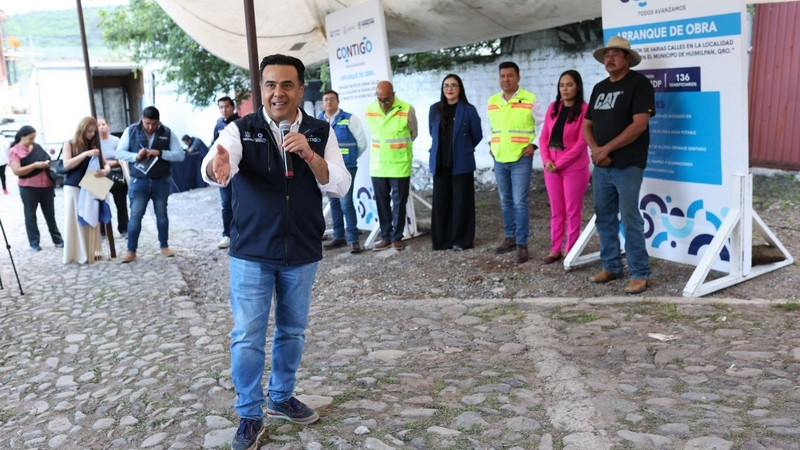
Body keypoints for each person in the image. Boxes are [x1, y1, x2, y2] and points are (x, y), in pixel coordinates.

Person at [200, 54, 350, 450]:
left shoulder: (320, 131)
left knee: (293, 329)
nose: (278, 93)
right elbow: (220, 160)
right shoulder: (240, 129)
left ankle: (281, 397)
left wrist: (310, 155)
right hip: (251, 250)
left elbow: (339, 185)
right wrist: (219, 164)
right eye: (270, 85)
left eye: (287, 85)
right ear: (260, 90)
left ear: (301, 90)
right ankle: (249, 414)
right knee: (247, 335)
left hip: (301, 248)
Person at [584, 36, 655, 294]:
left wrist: (606, 149)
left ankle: (640, 273)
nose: (610, 58)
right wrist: (595, 151)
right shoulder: (599, 88)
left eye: (616, 54)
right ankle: (612, 266)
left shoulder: (639, 84)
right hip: (602, 165)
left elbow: (639, 125)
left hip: (628, 164)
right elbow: (587, 124)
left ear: (627, 59)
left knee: (630, 217)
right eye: (607, 54)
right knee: (604, 216)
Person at [487, 61, 542, 264]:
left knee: (520, 202)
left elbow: (544, 123)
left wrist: (534, 145)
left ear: (518, 77)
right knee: (505, 201)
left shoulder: (529, 99)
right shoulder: (493, 101)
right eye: (502, 76)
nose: (506, 79)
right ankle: (509, 238)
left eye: (510, 75)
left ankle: (522, 244)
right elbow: (494, 127)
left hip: (521, 157)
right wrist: (491, 144)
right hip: (500, 157)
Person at [115, 106, 185, 263]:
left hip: (161, 180)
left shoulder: (167, 132)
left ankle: (164, 246)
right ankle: (131, 250)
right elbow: (119, 152)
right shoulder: (131, 130)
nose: (150, 127)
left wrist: (160, 153)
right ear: (142, 119)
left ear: (158, 121)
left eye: (154, 124)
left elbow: (180, 155)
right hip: (138, 180)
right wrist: (135, 156)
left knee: (161, 214)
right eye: (147, 123)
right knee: (135, 215)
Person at [538, 70, 590, 264]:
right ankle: (555, 249)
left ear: (577, 86)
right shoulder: (553, 107)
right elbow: (544, 137)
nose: (565, 89)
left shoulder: (585, 109)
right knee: (556, 210)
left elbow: (581, 143)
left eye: (569, 85)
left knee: (572, 210)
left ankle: (571, 250)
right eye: (562, 85)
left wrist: (558, 163)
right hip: (551, 165)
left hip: (574, 167)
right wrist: (546, 161)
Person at [428, 74, 483, 251]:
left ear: (460, 88)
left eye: (453, 85)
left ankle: (461, 240)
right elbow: (432, 132)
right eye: (446, 85)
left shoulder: (468, 109)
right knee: (441, 202)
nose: (449, 89)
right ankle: (442, 240)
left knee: (462, 202)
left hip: (462, 162)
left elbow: (477, 135)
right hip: (440, 162)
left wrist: (463, 148)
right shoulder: (435, 109)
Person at [364, 80, 418, 251]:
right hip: (378, 165)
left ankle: (397, 237)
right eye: (379, 99)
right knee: (382, 203)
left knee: (399, 202)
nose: (382, 103)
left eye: (386, 99)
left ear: (393, 95)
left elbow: (413, 133)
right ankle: (386, 236)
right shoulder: (370, 110)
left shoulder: (407, 109)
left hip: (400, 164)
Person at [318, 89, 367, 253]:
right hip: (327, 167)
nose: (329, 103)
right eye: (326, 100)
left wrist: (351, 158)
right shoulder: (318, 120)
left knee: (346, 202)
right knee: (333, 202)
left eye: (332, 99)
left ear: (338, 102)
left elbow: (362, 143)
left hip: (347, 166)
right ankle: (339, 237)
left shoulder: (349, 119)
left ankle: (353, 239)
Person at [61, 117, 111, 264]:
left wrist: (105, 172)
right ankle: (78, 253)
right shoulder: (69, 144)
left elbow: (106, 164)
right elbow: (67, 164)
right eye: (89, 131)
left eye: (93, 131)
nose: (91, 134)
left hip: (91, 184)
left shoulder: (95, 144)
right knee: (77, 219)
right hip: (74, 185)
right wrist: (85, 154)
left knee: (91, 218)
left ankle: (91, 251)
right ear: (82, 130)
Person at [7, 125, 64, 251]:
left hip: (46, 186)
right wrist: (34, 165)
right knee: (30, 215)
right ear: (22, 137)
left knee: (50, 214)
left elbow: (46, 158)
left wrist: (46, 163)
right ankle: (34, 242)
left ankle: (57, 239)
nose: (32, 141)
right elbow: (17, 171)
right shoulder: (14, 151)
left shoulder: (36, 147)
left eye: (34, 138)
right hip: (28, 187)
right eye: (30, 138)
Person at [213, 96, 239, 249]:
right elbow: (214, 145)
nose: (224, 110)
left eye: (227, 107)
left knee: (240, 202)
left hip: (237, 168)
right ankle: (227, 234)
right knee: (226, 203)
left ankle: (241, 233)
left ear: (233, 107)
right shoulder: (218, 124)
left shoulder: (240, 123)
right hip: (222, 169)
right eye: (221, 107)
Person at [98, 117, 128, 237]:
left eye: (103, 124)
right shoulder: (93, 143)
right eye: (98, 125)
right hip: (100, 175)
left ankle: (124, 228)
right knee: (100, 204)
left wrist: (106, 163)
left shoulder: (116, 141)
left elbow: (121, 158)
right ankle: (102, 230)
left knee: (121, 204)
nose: (101, 127)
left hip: (116, 174)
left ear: (108, 126)